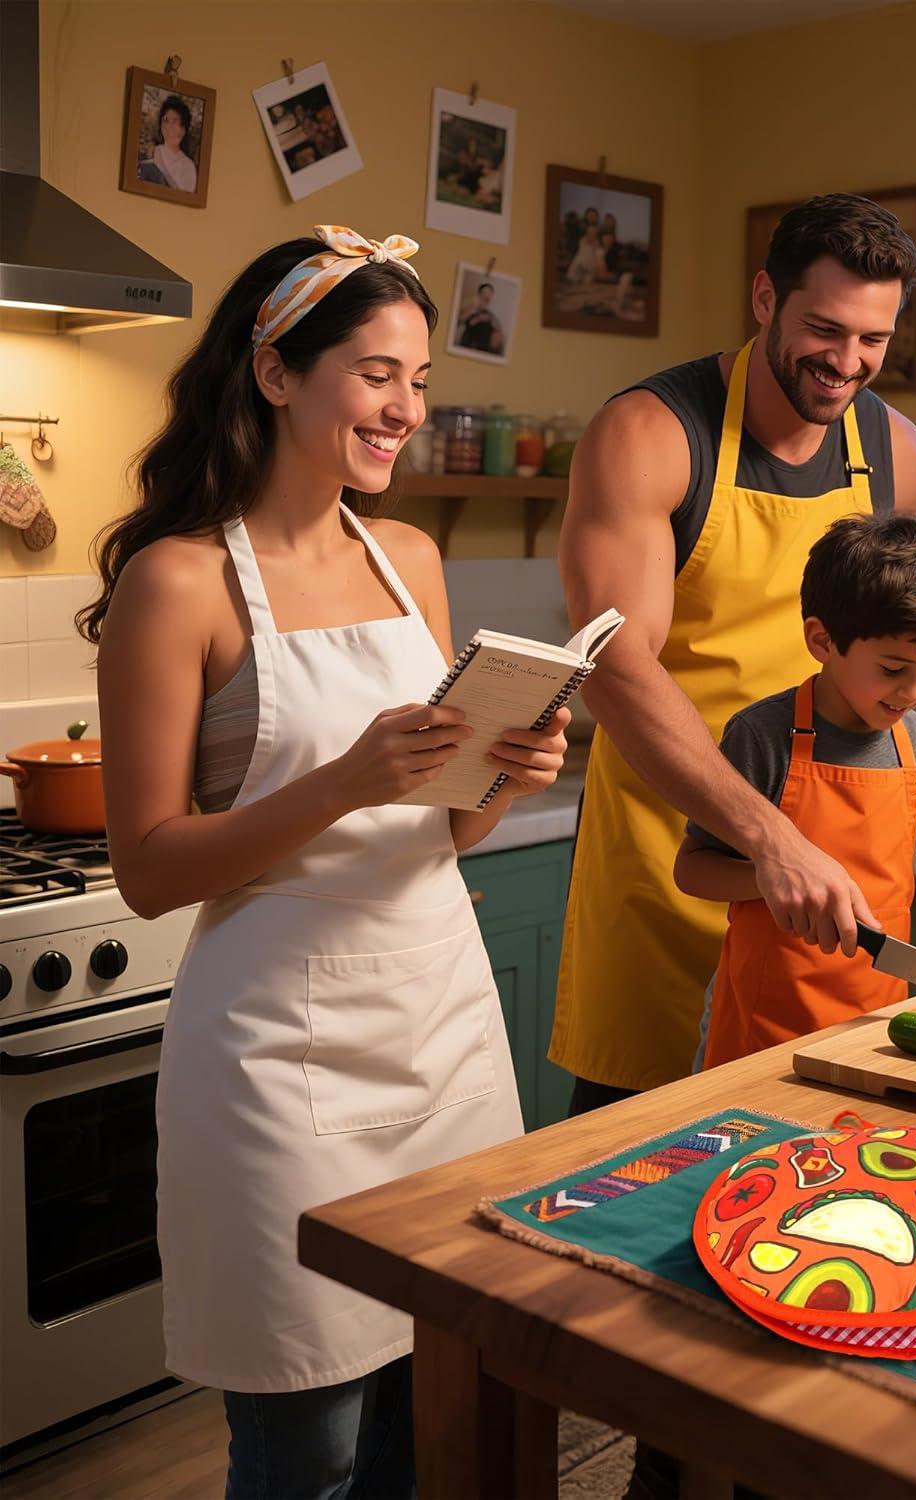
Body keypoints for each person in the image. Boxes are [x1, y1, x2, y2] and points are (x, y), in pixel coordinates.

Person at [81, 224, 569, 1500]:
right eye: (374, 374)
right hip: (275, 1060)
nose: (406, 408)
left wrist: (502, 783)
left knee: (441, 1415)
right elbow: (148, 866)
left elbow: (438, 829)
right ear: (279, 375)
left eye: (418, 379)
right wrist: (346, 777)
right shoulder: (177, 585)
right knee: (312, 1447)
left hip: (443, 1025)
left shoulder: (408, 561)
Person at [552, 193, 916, 1112]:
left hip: (818, 885)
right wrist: (767, 839)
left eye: (872, 340)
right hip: (668, 857)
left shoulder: (894, 451)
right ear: (765, 299)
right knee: (623, 1168)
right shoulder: (650, 433)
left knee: (808, 1159)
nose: (846, 364)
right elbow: (614, 663)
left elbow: (884, 638)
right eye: (823, 330)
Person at [677, 513, 916, 1068]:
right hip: (762, 1028)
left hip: (874, 1025)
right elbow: (692, 869)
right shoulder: (761, 736)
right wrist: (769, 876)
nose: (915, 691)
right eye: (894, 668)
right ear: (822, 640)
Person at [149, 94, 197, 193]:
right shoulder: (155, 151)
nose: (169, 126)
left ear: (183, 129)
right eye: (166, 120)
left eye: (175, 121)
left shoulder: (187, 165)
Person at [456, 280, 500, 353]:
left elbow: (497, 333)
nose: (486, 297)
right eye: (484, 293)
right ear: (479, 295)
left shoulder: (490, 316)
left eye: (489, 295)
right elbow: (459, 324)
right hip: (466, 348)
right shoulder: (468, 309)